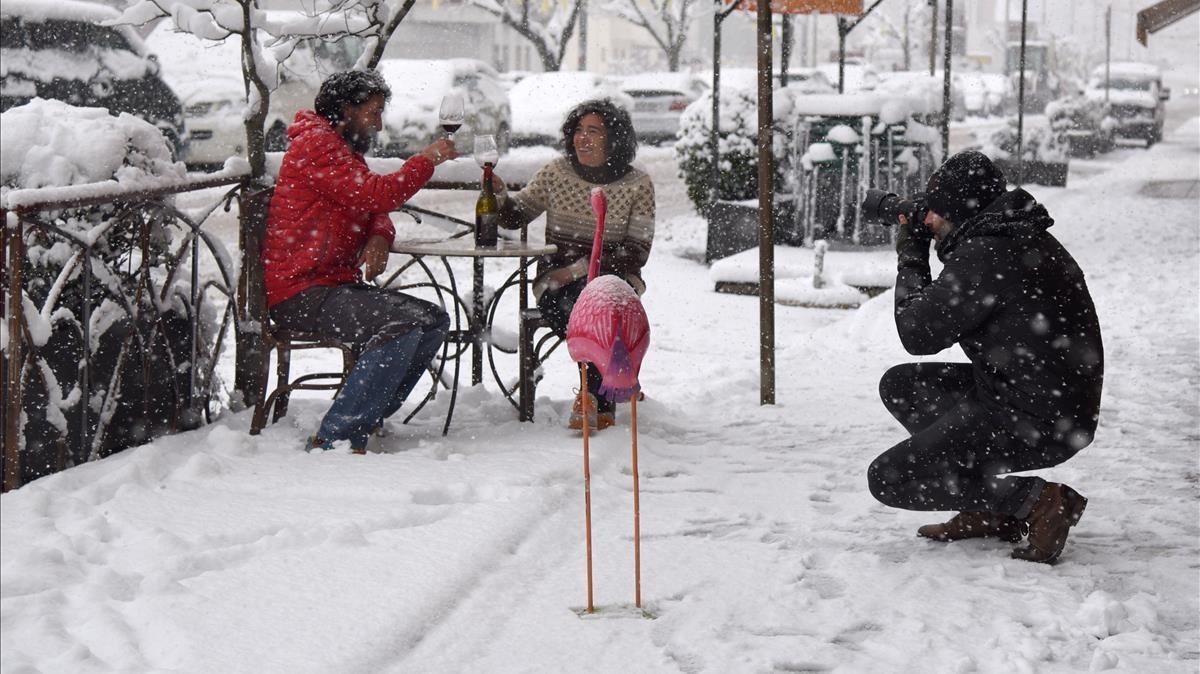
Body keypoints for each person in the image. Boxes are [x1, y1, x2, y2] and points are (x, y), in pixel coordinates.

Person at [866, 151, 1104, 564]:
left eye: (935, 213)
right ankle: (990, 509)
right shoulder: (1013, 235)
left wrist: (910, 254)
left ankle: (1039, 502)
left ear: (960, 211)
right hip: (1041, 399)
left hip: (1038, 417)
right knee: (904, 387)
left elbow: (917, 332)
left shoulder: (988, 253)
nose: (929, 223)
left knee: (891, 479)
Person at [263, 70, 458, 453]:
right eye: (374, 112)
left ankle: (367, 415)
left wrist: (379, 236)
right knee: (400, 326)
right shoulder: (318, 146)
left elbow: (370, 206)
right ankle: (336, 435)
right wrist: (427, 159)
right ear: (347, 109)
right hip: (302, 290)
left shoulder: (337, 146)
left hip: (332, 284)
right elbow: (377, 194)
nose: (380, 123)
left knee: (433, 321)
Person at [489, 99, 655, 430]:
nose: (583, 138)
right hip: (557, 283)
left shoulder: (638, 185)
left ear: (614, 139)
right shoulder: (556, 173)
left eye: (593, 131)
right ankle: (603, 393)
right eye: (578, 131)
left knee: (601, 308)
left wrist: (579, 270)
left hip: (614, 281)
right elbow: (514, 216)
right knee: (576, 307)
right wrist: (499, 195)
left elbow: (635, 252)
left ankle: (593, 396)